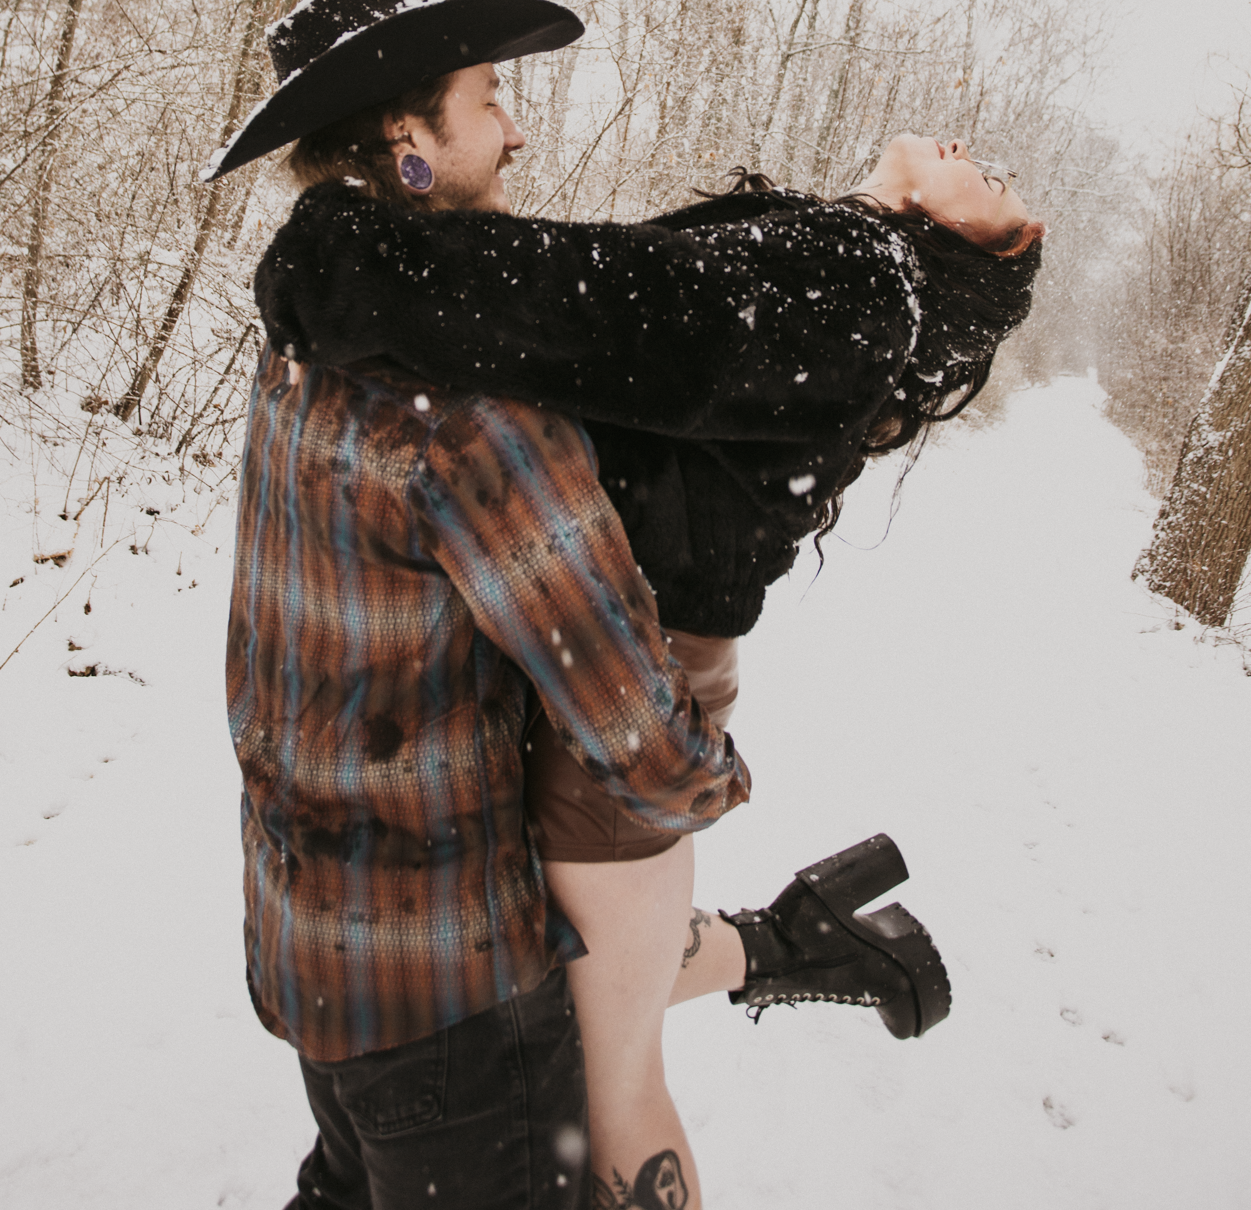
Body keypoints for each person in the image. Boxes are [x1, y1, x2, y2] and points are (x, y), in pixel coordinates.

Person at [258, 77, 1044, 1206]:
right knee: (573, 987)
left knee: (606, 1070)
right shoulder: (839, 245)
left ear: (989, 238)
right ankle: (797, 939)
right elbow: (601, 318)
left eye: (999, 183)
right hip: (579, 634)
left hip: (629, 668)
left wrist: (349, 252)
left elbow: (599, 310)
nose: (977, 144)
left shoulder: (863, 285)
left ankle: (797, 944)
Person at [207, 0, 760, 1210]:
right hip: (453, 1007)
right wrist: (714, 772)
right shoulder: (464, 408)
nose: (518, 126)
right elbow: (630, 726)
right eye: (491, 95)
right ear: (408, 135)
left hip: (313, 960)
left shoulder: (302, 341)